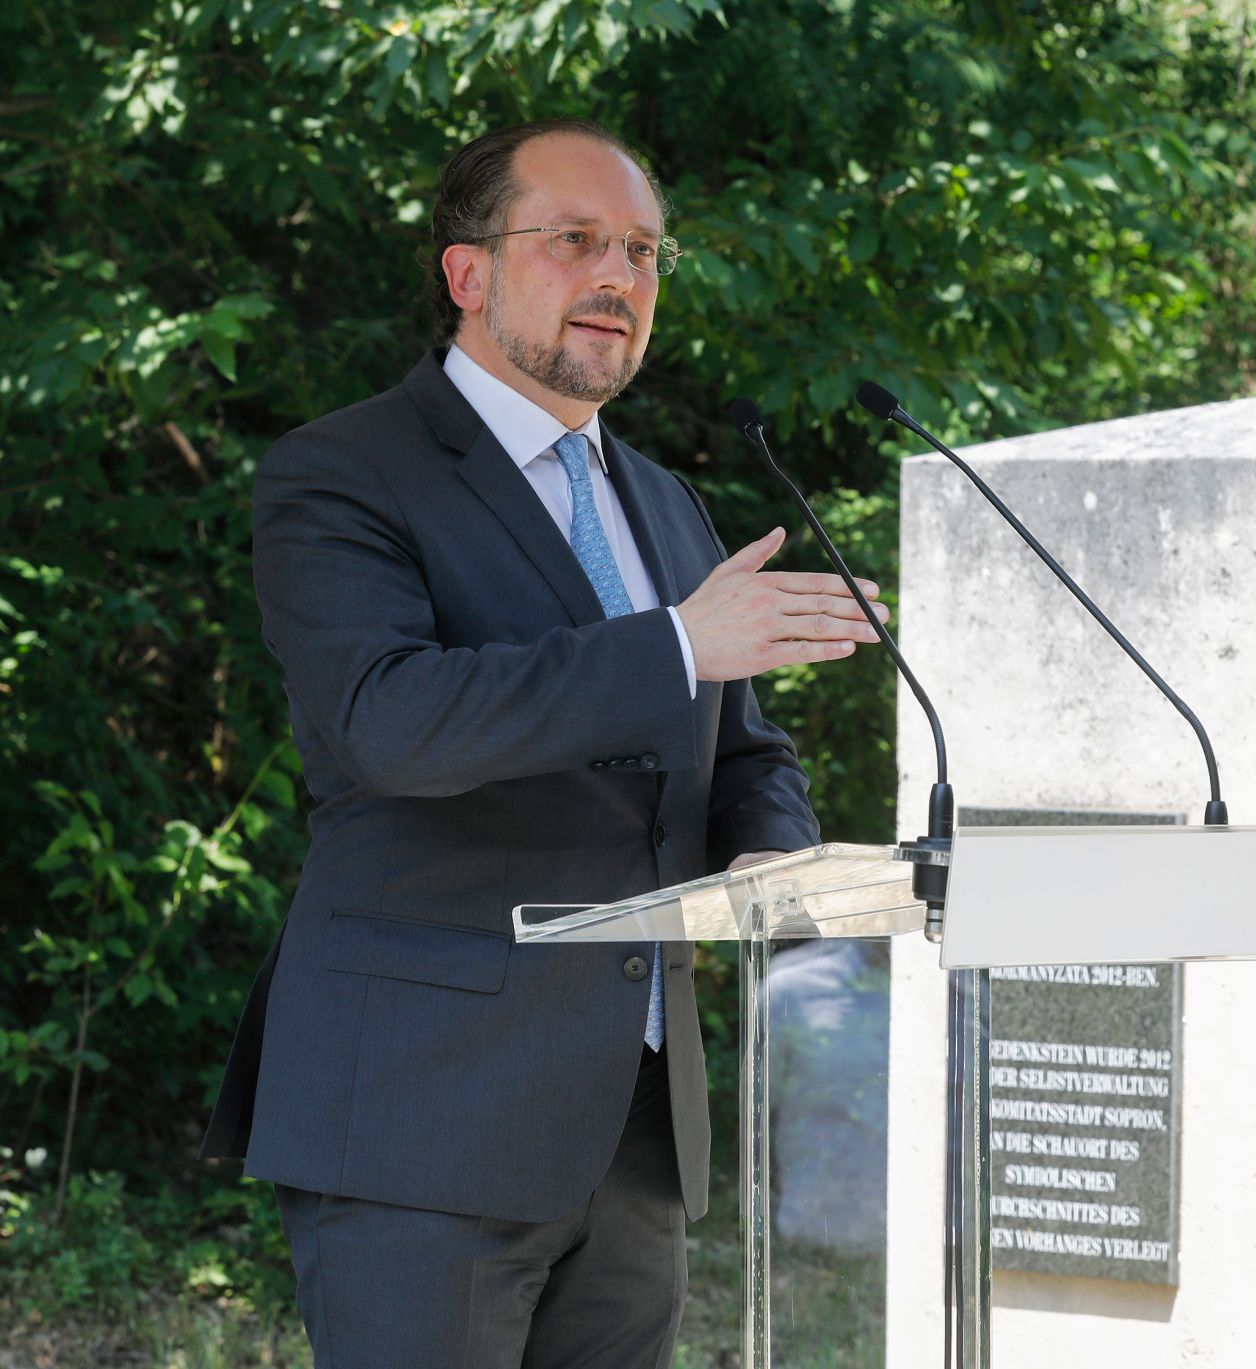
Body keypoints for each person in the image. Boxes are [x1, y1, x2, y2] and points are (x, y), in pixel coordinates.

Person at [199, 117, 887, 1368]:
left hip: (635, 1126)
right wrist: (672, 644)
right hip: (424, 1113)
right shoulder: (344, 471)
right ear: (469, 273)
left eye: (642, 250)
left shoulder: (662, 501)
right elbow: (390, 722)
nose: (618, 275)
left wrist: (764, 858)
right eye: (575, 239)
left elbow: (744, 753)